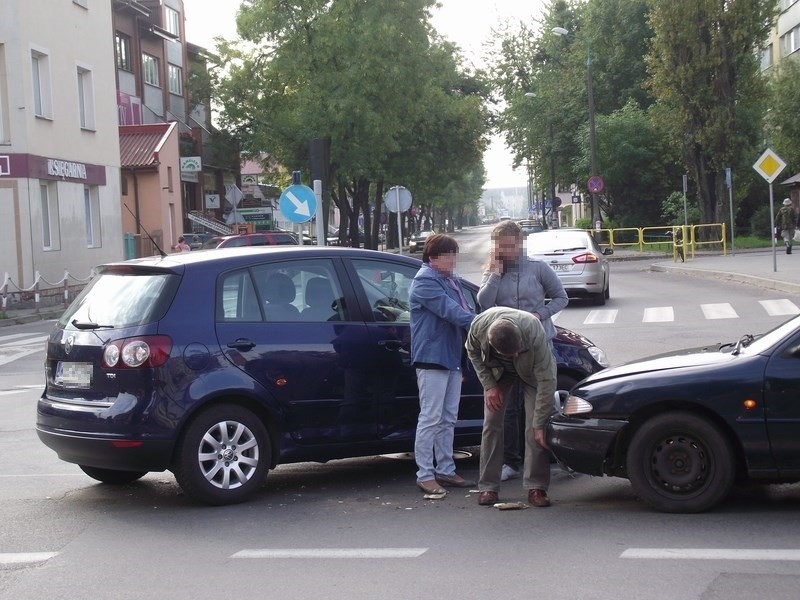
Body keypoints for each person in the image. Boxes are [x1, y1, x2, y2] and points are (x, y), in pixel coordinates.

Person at [476, 220, 567, 482]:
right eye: (500, 246)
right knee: (508, 408)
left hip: (537, 344)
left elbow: (561, 297)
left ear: (519, 242)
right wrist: (495, 271)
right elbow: (484, 302)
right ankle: (511, 461)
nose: (505, 249)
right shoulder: (493, 270)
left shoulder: (538, 268)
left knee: (539, 405)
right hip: (506, 348)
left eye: (509, 245)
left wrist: (541, 313)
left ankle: (544, 461)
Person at [465, 307, 557, 507]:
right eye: (511, 352)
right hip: (499, 373)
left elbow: (547, 380)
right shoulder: (478, 327)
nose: (516, 354)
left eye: (518, 350)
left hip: (532, 375)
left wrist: (540, 423)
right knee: (491, 424)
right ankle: (488, 487)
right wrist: (489, 385)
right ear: (491, 344)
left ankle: (536, 487)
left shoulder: (533, 330)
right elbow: (472, 353)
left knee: (535, 428)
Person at [409, 233, 476, 495]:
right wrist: (485, 323)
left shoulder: (450, 280)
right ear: (433, 257)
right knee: (430, 418)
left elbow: (465, 311)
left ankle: (446, 469)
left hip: (451, 358)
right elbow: (454, 312)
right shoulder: (425, 282)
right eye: (448, 254)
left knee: (448, 418)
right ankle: (424, 474)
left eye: (454, 254)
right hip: (432, 357)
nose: (453, 259)